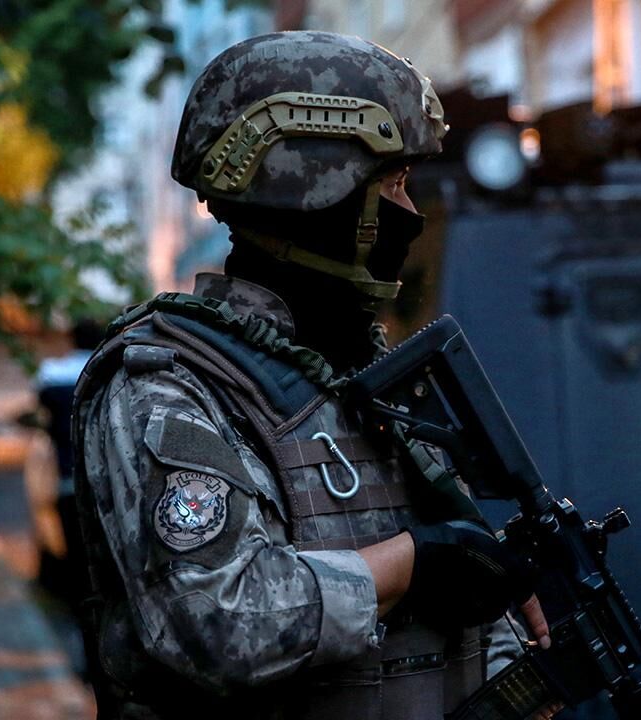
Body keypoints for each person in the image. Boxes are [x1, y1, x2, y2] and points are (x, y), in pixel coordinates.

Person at [72, 31, 552, 719]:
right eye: (393, 185)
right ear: (316, 193)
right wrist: (416, 563)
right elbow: (217, 623)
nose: (411, 215)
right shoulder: (166, 382)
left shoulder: (356, 370)